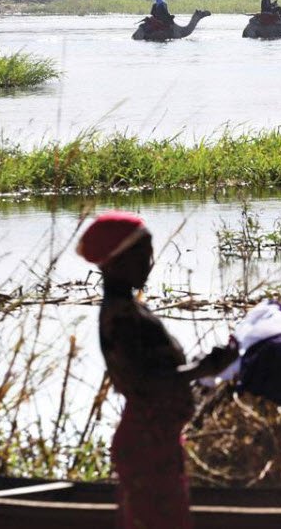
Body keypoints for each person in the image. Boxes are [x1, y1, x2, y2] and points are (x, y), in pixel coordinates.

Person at [77, 211, 238, 529]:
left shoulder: (128, 311)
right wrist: (202, 368)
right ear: (115, 260)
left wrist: (202, 368)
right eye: (141, 256)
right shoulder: (122, 318)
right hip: (146, 442)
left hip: (154, 438)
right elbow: (146, 382)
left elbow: (159, 372)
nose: (149, 264)